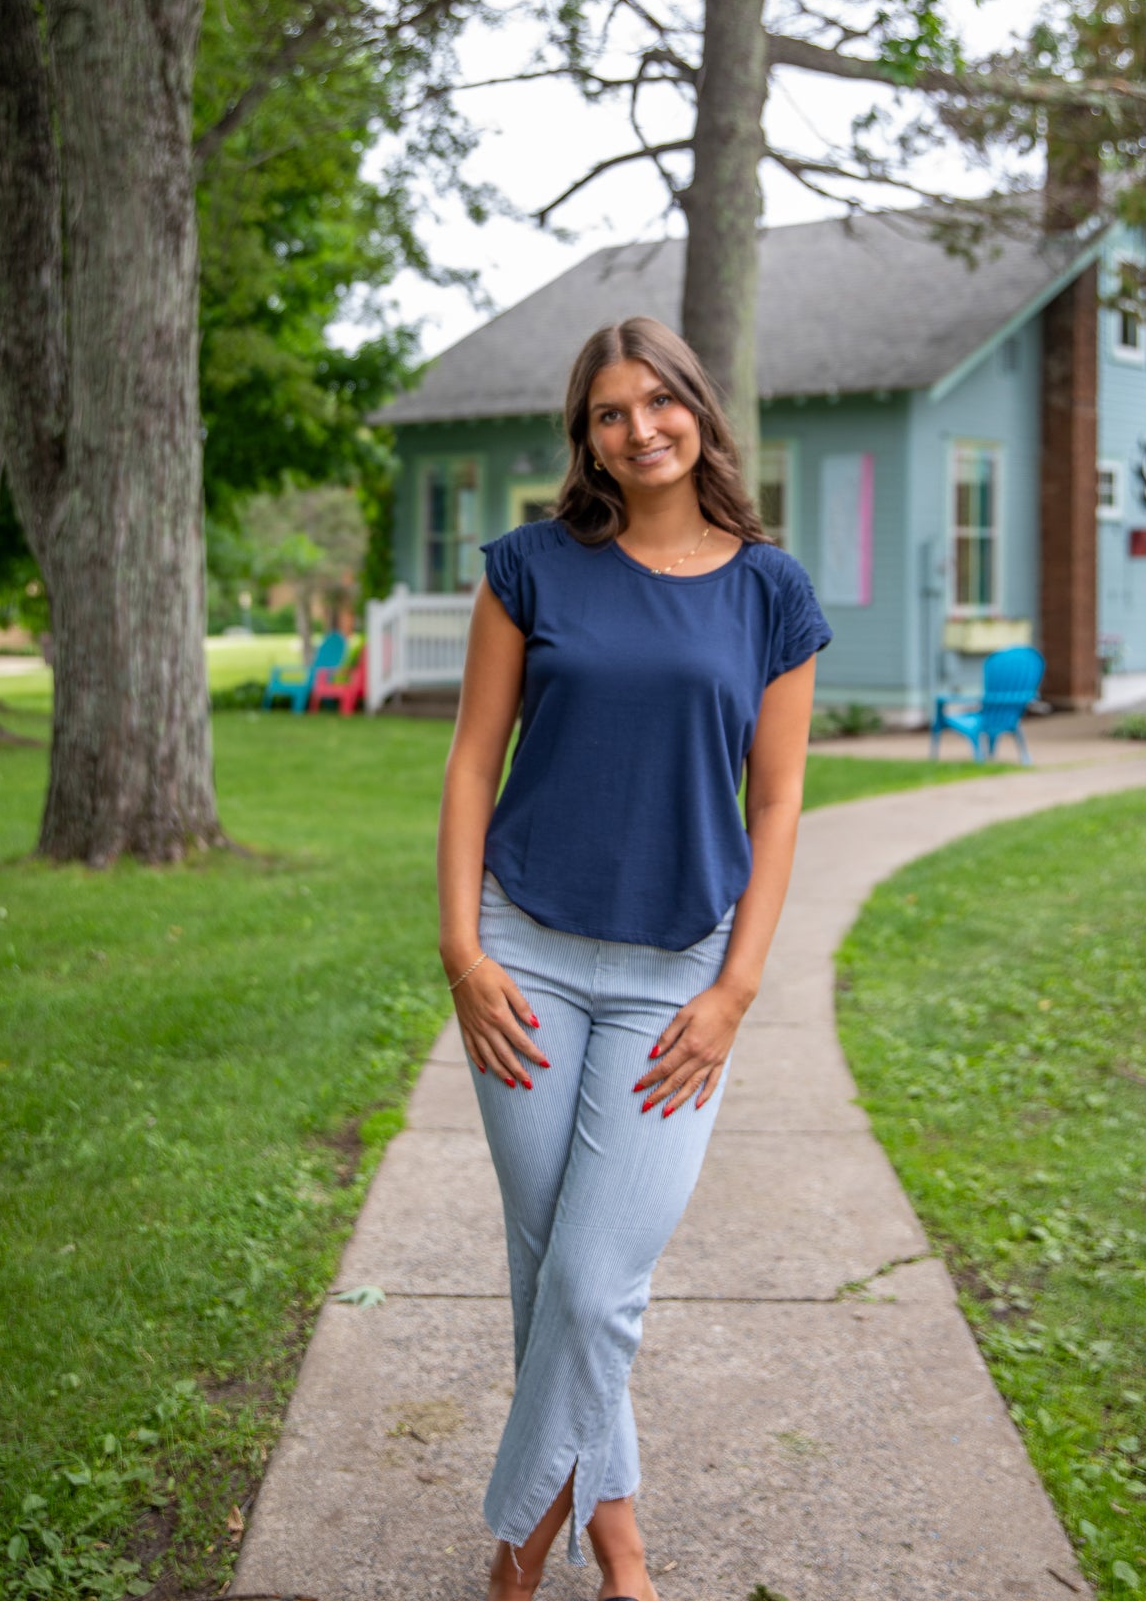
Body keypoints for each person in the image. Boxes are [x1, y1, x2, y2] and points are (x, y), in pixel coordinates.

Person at [436, 315, 832, 1601]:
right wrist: (459, 944)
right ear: (586, 435)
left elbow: (776, 803)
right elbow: (470, 761)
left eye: (660, 401)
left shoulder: (771, 589)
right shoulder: (530, 567)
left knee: (591, 1280)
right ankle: (624, 1551)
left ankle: (518, 1547)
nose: (639, 427)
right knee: (557, 1270)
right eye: (611, 411)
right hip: (525, 957)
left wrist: (737, 989)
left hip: (680, 973)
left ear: (701, 412)